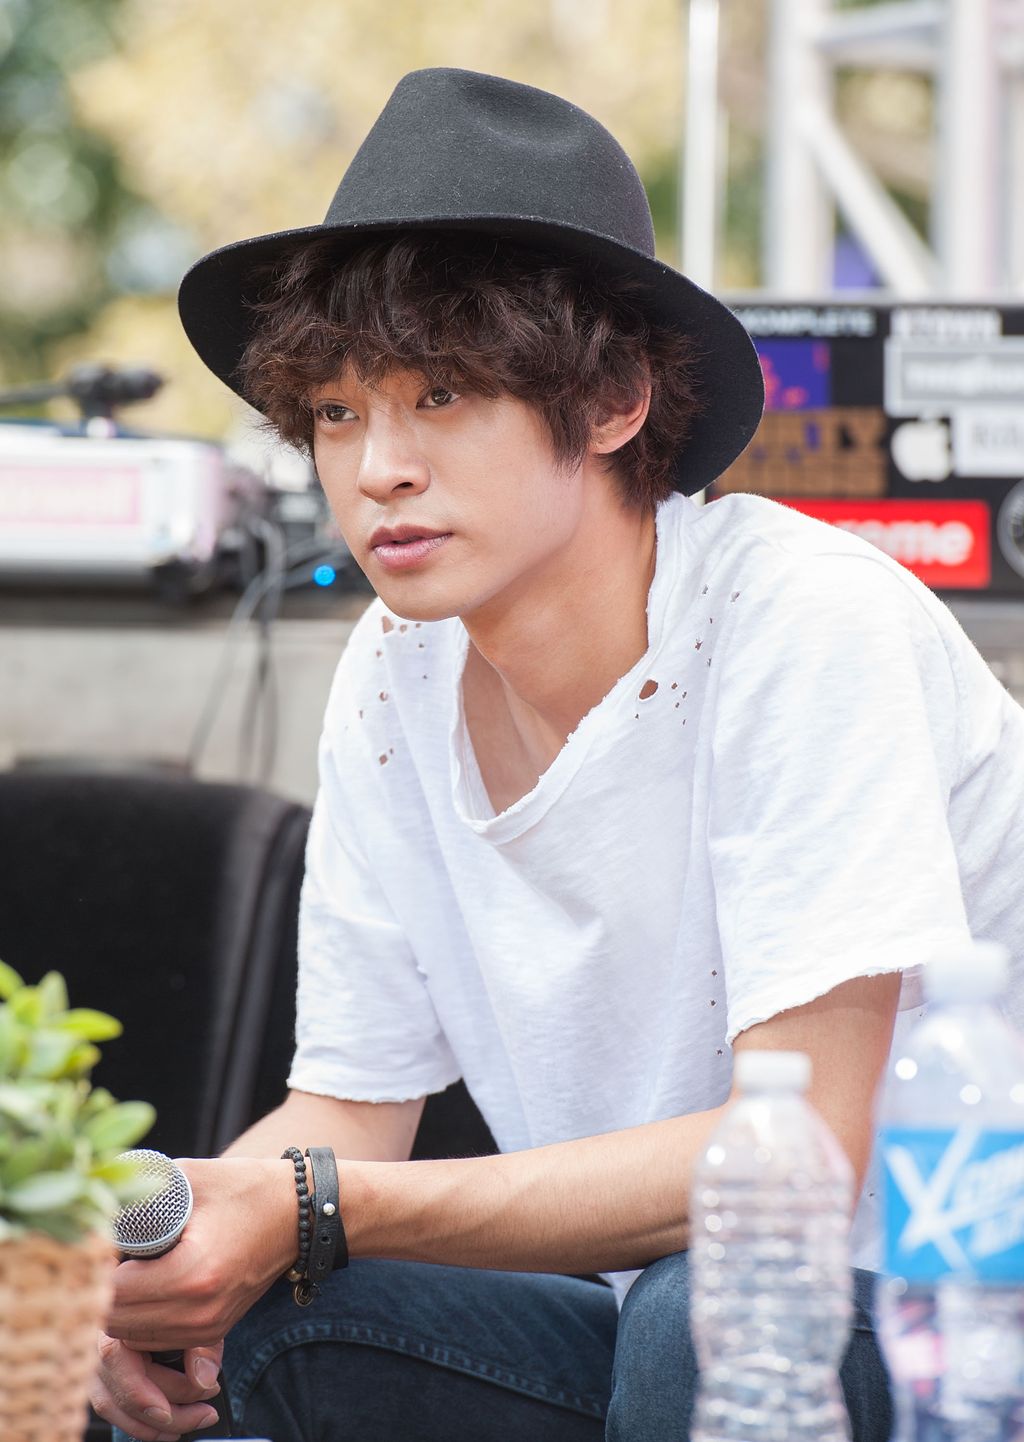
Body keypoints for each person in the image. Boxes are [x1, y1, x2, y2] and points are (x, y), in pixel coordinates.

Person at [94, 68, 1024, 1442]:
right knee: (255, 1331)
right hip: (661, 1320)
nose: (377, 468)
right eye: (339, 412)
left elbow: (805, 1160)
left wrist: (312, 1208)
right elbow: (343, 1116)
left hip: (947, 1321)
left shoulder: (801, 622)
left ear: (610, 403)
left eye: (444, 393)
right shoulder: (392, 675)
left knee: (704, 1315)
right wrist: (139, 1276)